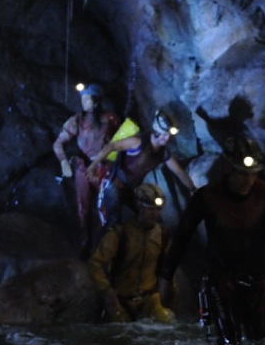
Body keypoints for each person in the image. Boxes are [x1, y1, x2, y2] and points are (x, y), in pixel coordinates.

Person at [157, 135, 265, 345]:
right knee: (230, 344)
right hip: (221, 281)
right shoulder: (208, 197)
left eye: (253, 174)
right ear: (228, 168)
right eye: (242, 173)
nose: (248, 181)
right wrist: (166, 278)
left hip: (256, 281)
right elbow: (182, 237)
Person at [88, 109, 196, 227]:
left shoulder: (162, 153)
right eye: (164, 135)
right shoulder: (138, 142)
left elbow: (179, 172)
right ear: (156, 131)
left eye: (169, 136)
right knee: (113, 221)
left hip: (132, 188)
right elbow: (112, 146)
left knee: (150, 219)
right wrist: (93, 166)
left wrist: (193, 189)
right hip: (115, 182)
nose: (166, 138)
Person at [87, 183, 175, 324]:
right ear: (140, 208)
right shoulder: (120, 234)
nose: (155, 214)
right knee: (120, 329)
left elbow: (168, 269)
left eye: (158, 209)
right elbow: (95, 263)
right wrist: (107, 292)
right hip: (121, 299)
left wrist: (170, 295)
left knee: (166, 322)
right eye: (150, 209)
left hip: (150, 299)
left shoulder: (163, 235)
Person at [53, 83, 120, 255]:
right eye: (82, 99)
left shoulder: (110, 118)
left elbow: (120, 140)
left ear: (96, 101)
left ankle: (105, 244)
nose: (84, 102)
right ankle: (85, 241)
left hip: (103, 168)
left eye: (87, 99)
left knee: (104, 207)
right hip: (83, 167)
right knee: (83, 207)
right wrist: (63, 161)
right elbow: (58, 143)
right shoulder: (77, 120)